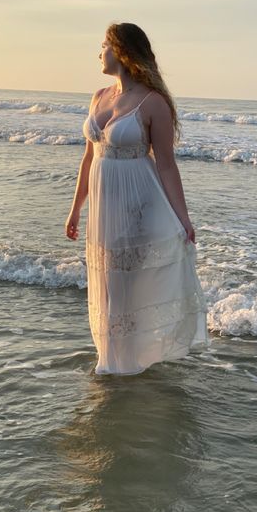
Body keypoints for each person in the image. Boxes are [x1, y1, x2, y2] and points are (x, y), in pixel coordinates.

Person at [65, 22, 209, 376]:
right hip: (102, 210)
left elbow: (166, 168)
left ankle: (123, 367)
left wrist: (183, 220)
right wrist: (75, 210)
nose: (100, 52)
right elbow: (88, 159)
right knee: (106, 289)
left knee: (124, 291)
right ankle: (111, 360)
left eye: (105, 45)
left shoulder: (153, 102)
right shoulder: (99, 96)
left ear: (123, 51)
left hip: (137, 208)